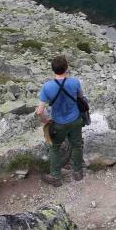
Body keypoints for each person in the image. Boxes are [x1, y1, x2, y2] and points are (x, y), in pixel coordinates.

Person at [36, 55, 84, 187]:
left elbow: (40, 111)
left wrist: (45, 121)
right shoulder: (74, 82)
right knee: (76, 145)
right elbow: (81, 97)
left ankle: (56, 177)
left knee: (55, 147)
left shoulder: (47, 87)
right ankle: (78, 173)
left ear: (53, 70)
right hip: (75, 119)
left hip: (58, 123)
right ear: (66, 68)